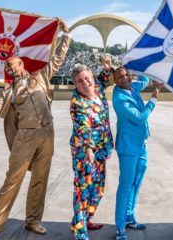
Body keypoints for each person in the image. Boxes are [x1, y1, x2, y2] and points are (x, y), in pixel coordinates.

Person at [0, 20, 71, 240]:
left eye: (13, 64)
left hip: (48, 134)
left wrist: (66, 36)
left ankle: (33, 220)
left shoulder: (40, 76)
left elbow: (57, 59)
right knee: (12, 181)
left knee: (40, 178)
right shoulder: (8, 92)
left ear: (21, 64)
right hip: (25, 137)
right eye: (7, 67)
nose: (11, 69)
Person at [107, 60, 164, 240]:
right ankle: (119, 227)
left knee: (136, 183)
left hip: (141, 145)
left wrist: (139, 65)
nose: (125, 78)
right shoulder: (119, 98)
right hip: (128, 147)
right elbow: (140, 117)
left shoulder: (133, 86)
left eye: (126, 74)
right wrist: (154, 97)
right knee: (125, 186)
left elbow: (144, 81)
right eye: (120, 76)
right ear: (115, 81)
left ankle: (130, 217)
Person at [69, 62, 114, 240]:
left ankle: (86, 219)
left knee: (97, 190)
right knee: (83, 190)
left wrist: (107, 69)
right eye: (80, 81)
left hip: (101, 152)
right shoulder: (77, 103)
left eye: (87, 78)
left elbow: (103, 79)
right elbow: (83, 126)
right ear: (75, 85)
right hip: (84, 155)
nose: (85, 82)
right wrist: (88, 147)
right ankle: (79, 231)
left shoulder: (97, 88)